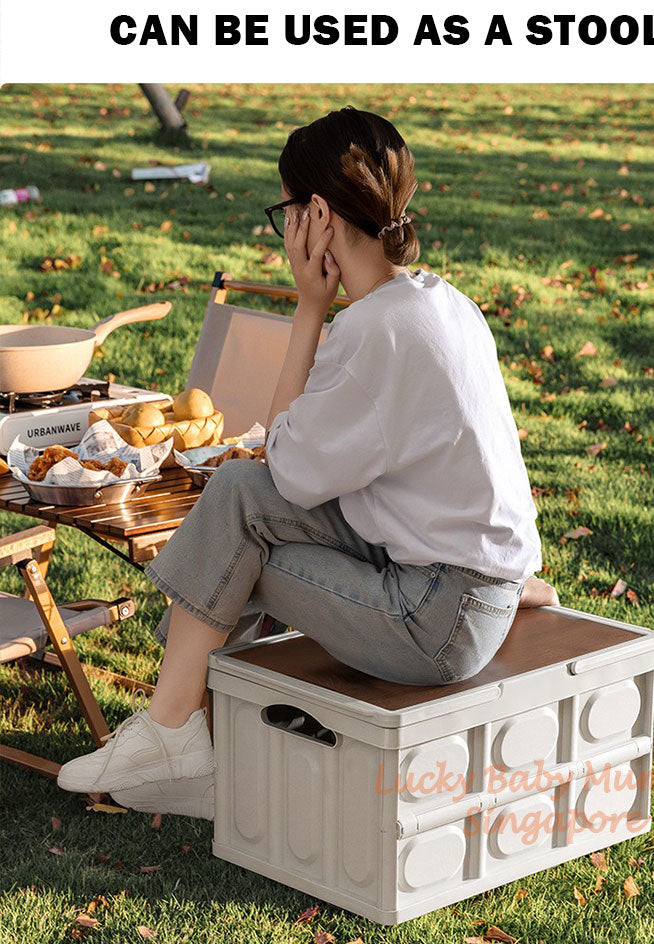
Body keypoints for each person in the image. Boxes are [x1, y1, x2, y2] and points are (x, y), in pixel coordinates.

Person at [56, 105, 558, 820]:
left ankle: (174, 732)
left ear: (317, 213)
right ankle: (179, 724)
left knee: (237, 537)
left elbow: (285, 465)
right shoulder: (441, 302)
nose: (285, 228)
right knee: (236, 496)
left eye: (286, 211)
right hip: (465, 578)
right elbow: (285, 474)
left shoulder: (375, 331)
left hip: (435, 619)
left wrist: (307, 308)